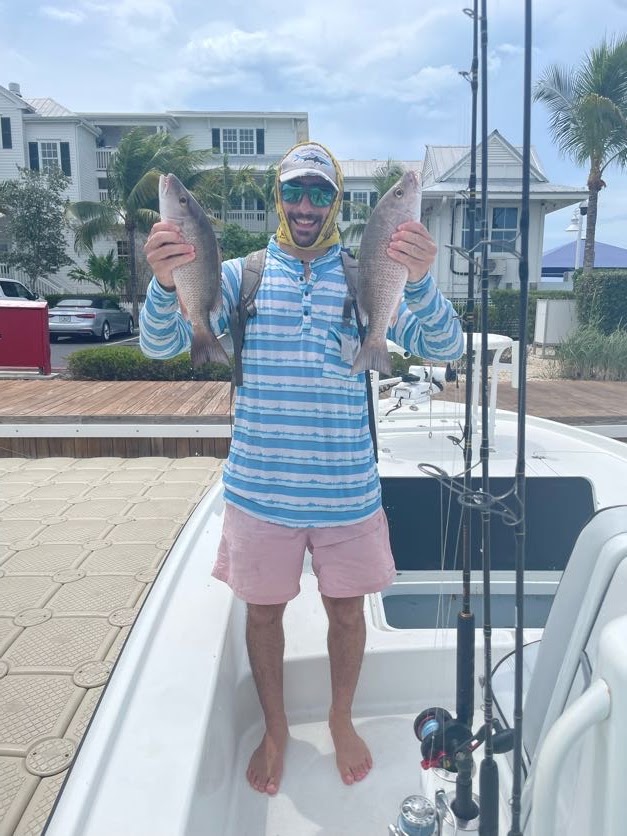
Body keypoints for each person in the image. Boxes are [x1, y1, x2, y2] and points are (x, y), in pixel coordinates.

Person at [140, 141, 463, 796]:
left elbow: (446, 346)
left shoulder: (363, 274)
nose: (306, 205)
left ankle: (340, 717)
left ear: (336, 200)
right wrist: (165, 282)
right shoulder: (239, 276)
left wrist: (422, 280)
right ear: (278, 197)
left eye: (320, 192)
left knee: (347, 614)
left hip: (347, 494)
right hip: (258, 494)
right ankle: (277, 725)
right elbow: (161, 343)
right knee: (262, 617)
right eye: (295, 191)